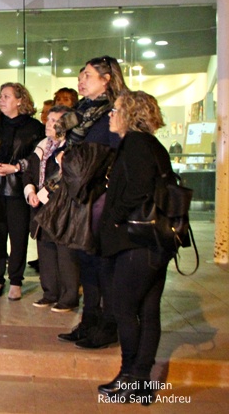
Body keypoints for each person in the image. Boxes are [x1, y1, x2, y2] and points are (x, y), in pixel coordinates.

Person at [96, 91, 172, 405]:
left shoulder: (138, 144)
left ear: (130, 113)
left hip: (136, 243)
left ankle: (129, 376)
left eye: (114, 110)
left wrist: (112, 218)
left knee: (125, 310)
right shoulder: (152, 145)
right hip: (154, 243)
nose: (110, 115)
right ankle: (140, 381)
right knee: (148, 312)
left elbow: (138, 190)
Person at [58, 55, 126, 350]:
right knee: (85, 258)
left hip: (102, 193)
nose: (80, 80)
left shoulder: (116, 110)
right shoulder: (81, 112)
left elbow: (116, 151)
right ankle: (89, 319)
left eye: (87, 75)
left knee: (102, 260)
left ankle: (108, 324)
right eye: (80, 75)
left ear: (106, 78)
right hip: (80, 191)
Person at [0, 83, 44, 300]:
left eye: (6, 96)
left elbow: (37, 158)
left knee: (18, 236)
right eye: (0, 96)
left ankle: (16, 280)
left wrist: (15, 167)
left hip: (18, 189)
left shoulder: (34, 127)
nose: (1, 99)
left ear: (20, 100)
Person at [24, 105, 80, 312]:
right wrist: (30, 192)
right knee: (45, 251)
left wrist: (43, 195)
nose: (49, 123)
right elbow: (29, 172)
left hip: (62, 207)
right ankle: (50, 292)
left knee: (65, 254)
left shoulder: (70, 149)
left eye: (54, 120)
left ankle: (69, 296)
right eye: (48, 119)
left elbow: (68, 178)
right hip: (40, 207)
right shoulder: (41, 147)